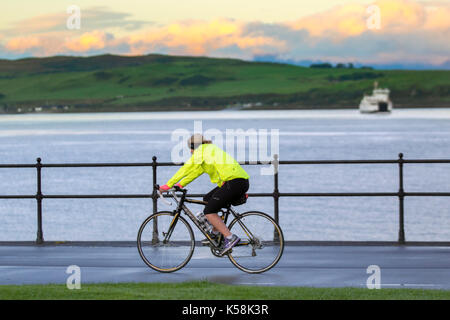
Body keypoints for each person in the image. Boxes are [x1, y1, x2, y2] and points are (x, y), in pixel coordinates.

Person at [159, 134, 249, 255]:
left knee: (209, 212)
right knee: (207, 199)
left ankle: (230, 237)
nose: (190, 152)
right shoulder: (207, 151)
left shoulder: (201, 151)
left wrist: (168, 185)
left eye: (190, 149)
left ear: (193, 146)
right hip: (237, 182)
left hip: (233, 182)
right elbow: (196, 171)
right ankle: (215, 234)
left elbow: (186, 168)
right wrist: (180, 185)